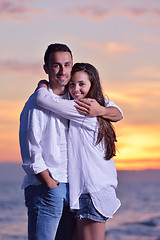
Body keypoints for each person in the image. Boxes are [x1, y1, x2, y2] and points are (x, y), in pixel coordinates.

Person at [19, 44, 123, 240]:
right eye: (56, 65)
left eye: (67, 65)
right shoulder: (44, 103)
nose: (63, 71)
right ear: (47, 68)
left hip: (81, 191)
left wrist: (100, 110)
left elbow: (118, 113)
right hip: (57, 188)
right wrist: (50, 184)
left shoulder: (84, 106)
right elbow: (31, 151)